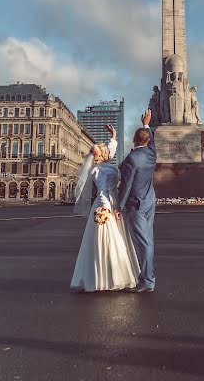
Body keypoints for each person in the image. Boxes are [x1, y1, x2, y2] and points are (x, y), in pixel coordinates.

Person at [70, 125, 139, 292]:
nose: (109, 152)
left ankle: (104, 275)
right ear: (101, 155)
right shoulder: (98, 171)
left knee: (112, 238)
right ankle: (110, 276)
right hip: (106, 203)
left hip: (112, 202)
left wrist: (113, 136)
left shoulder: (102, 165)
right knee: (109, 238)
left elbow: (110, 149)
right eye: (105, 151)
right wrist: (106, 207)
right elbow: (102, 190)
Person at [114, 109, 157, 293]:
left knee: (144, 243)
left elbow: (126, 185)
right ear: (147, 141)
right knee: (148, 241)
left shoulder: (132, 159)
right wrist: (146, 124)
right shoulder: (152, 154)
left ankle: (147, 281)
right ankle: (148, 276)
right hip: (149, 201)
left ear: (134, 139)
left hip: (136, 204)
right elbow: (152, 141)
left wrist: (119, 206)